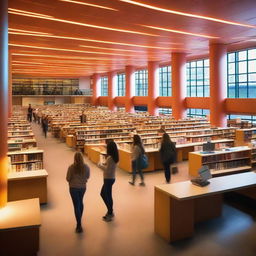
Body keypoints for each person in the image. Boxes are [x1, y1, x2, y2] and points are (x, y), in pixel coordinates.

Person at [66, 152, 90, 233]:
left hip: (73, 188)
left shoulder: (71, 167)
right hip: (83, 188)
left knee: (76, 205)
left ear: (74, 159)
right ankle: (79, 218)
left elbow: (68, 178)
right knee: (80, 202)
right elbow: (88, 176)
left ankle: (79, 225)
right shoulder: (86, 167)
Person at [99, 140, 119, 222]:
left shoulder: (110, 158)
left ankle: (110, 212)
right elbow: (110, 168)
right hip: (111, 178)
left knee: (104, 194)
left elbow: (107, 170)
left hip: (108, 178)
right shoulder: (115, 157)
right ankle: (110, 211)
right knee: (107, 195)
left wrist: (100, 165)